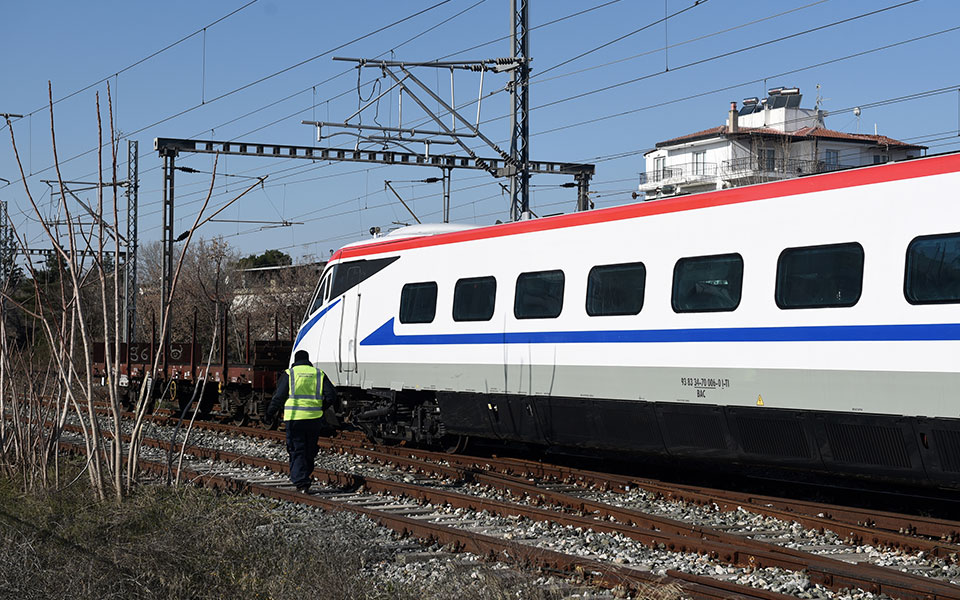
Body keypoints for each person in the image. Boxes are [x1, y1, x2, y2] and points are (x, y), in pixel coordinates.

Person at [263, 350, 336, 493]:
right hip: (314, 419)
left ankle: (301, 482)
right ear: (308, 360)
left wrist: (269, 414)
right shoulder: (318, 374)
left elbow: (278, 397)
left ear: (295, 361)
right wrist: (321, 407)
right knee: (310, 449)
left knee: (297, 449)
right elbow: (332, 395)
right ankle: (305, 475)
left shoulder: (289, 374)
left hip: (294, 419)